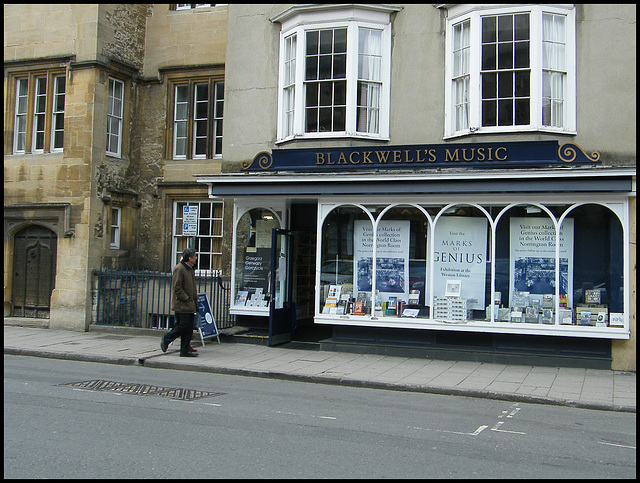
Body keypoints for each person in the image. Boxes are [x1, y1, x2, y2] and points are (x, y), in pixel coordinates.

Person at [160, 248, 199, 357]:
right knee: (183, 326)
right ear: (190, 258)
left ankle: (185, 349)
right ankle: (166, 338)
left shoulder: (189, 269)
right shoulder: (179, 269)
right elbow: (177, 288)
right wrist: (186, 298)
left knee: (189, 328)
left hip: (190, 303)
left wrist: (194, 298)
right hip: (182, 304)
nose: (196, 258)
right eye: (195, 256)